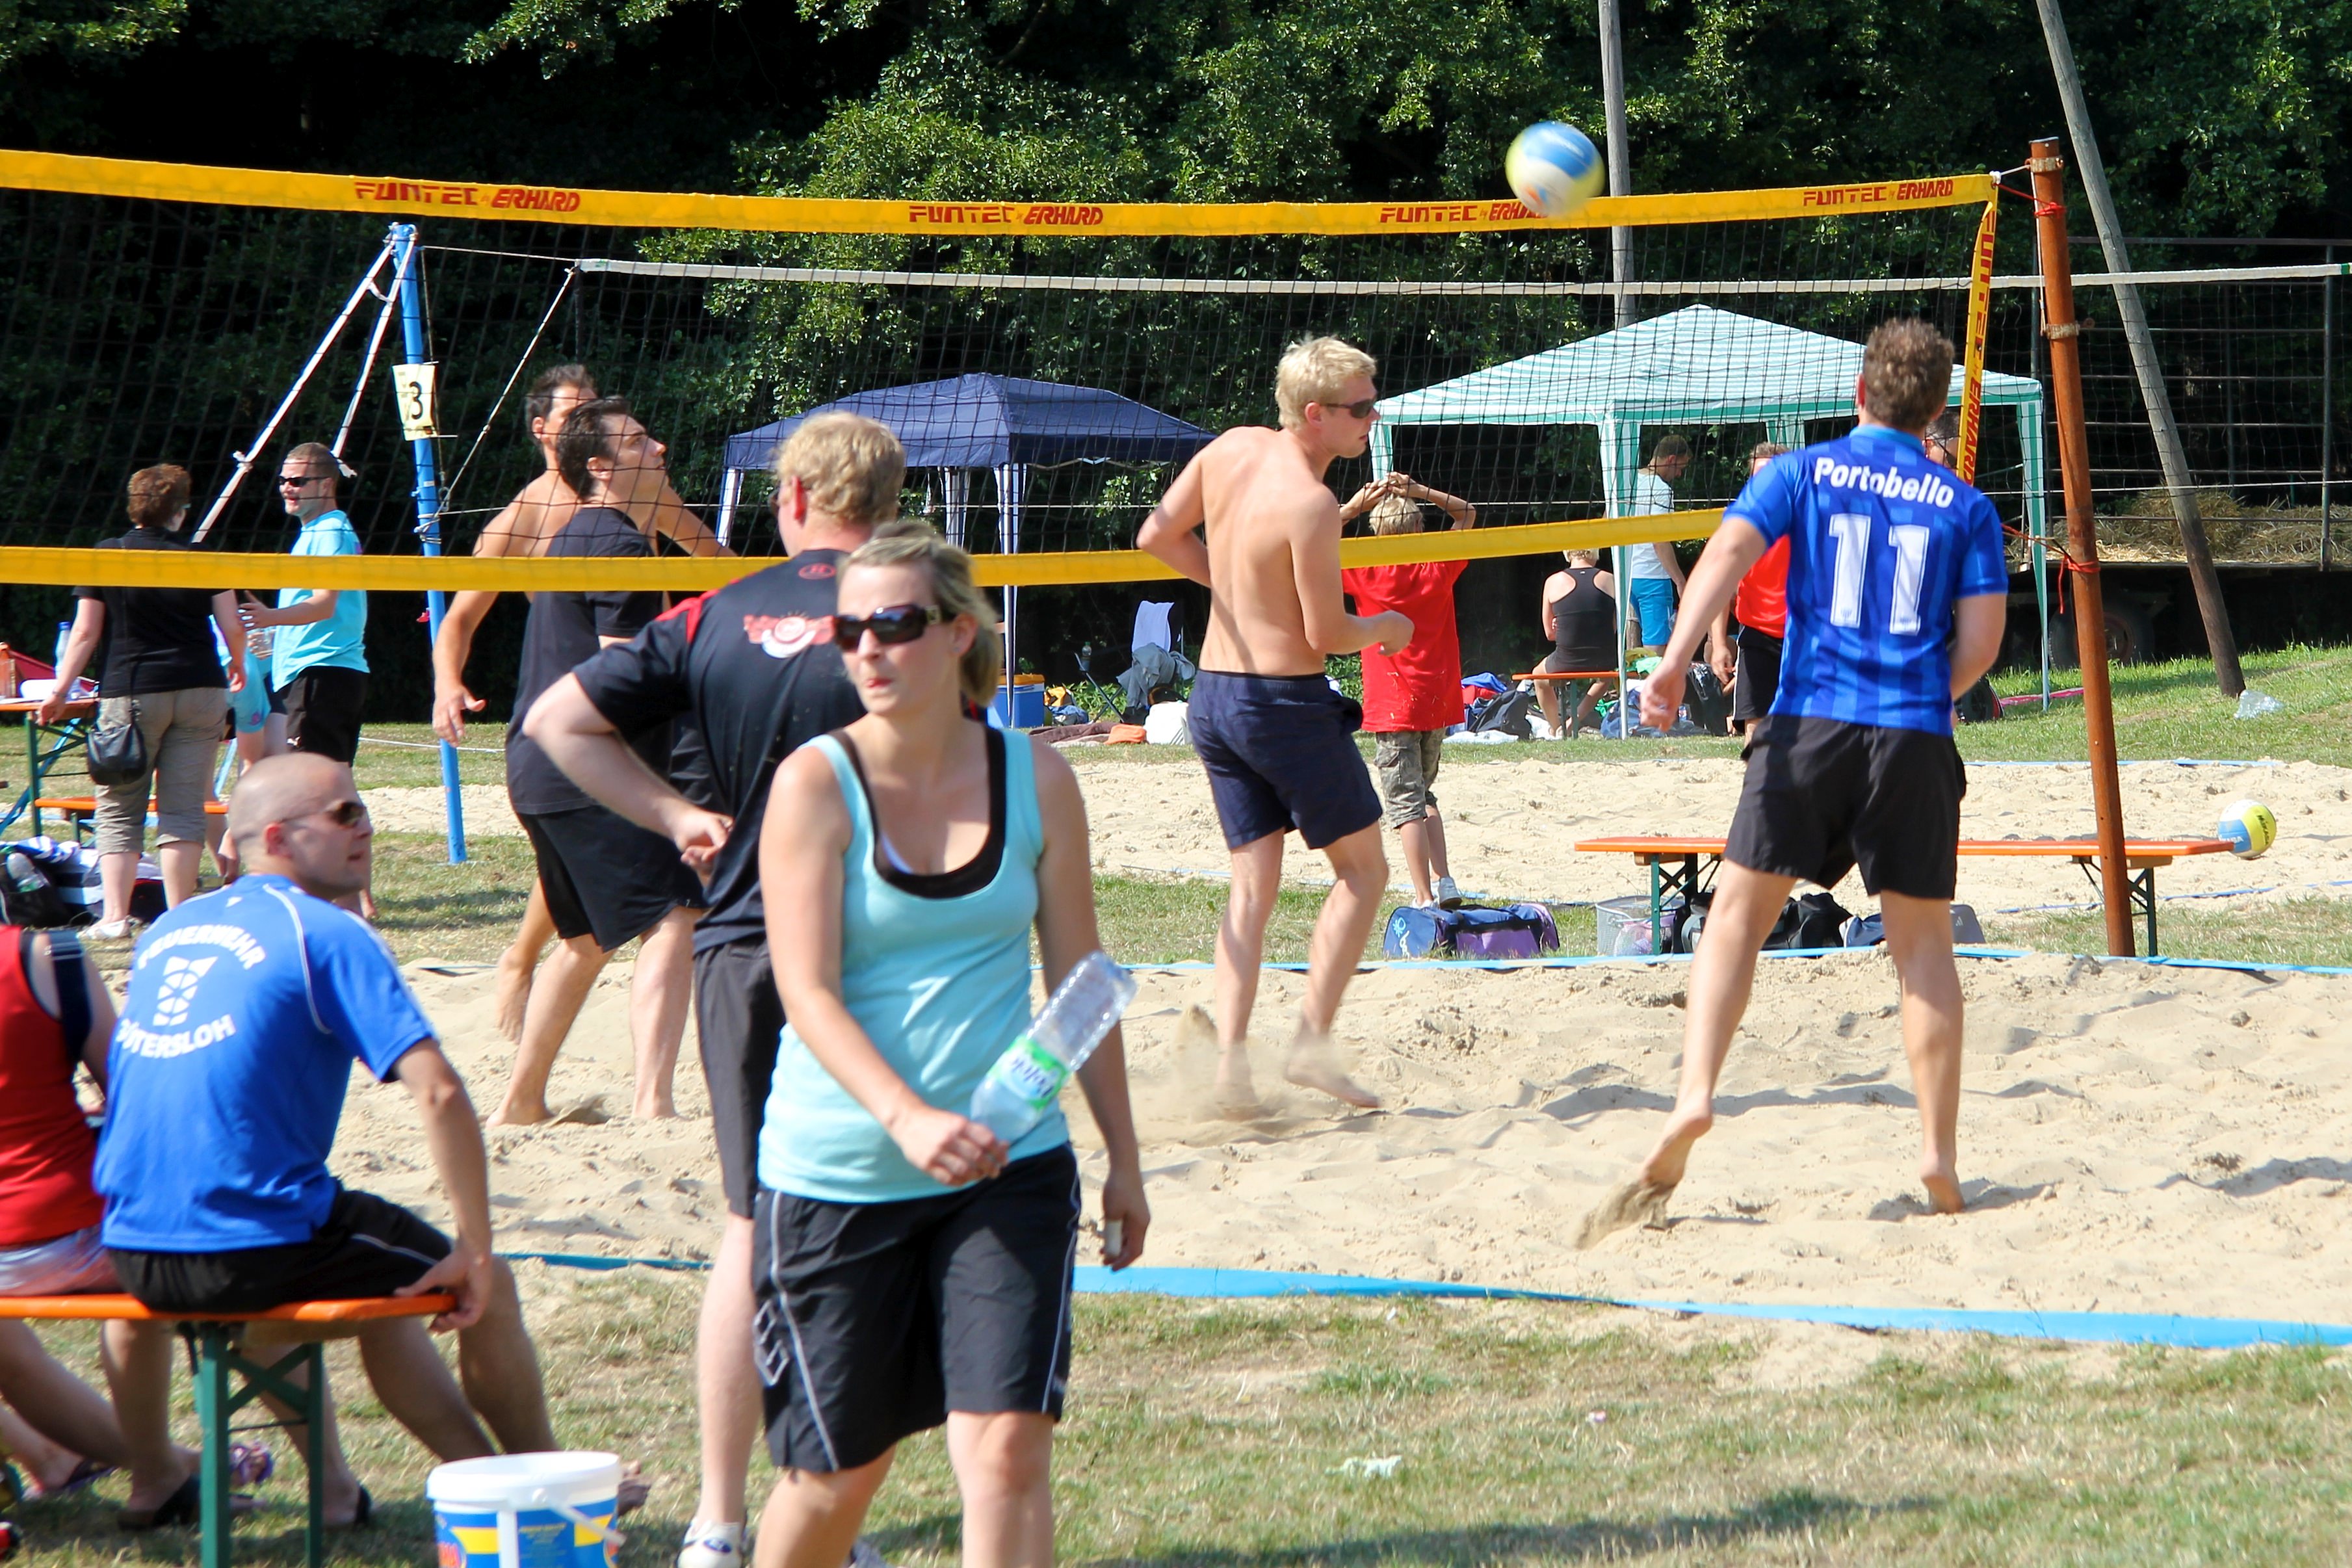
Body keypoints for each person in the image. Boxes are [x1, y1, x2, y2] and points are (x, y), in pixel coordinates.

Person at [523, 412, 896, 1568]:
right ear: (888, 504)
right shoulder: (917, 615)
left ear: (793, 499)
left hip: (743, 943)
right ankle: (823, 1512)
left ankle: (720, 1520)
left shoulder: (712, 612)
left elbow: (556, 719)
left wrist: (675, 814)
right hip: (875, 946)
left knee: (750, 1225)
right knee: (863, 1233)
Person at [750, 525, 1146, 1568]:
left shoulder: (1037, 780)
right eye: (848, 630)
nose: (868, 649)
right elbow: (805, 989)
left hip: (1007, 1168)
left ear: (959, 633)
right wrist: (907, 1117)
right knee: (835, 1478)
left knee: (1006, 1452)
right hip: (838, 1171)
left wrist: (1124, 1159)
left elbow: (1080, 986)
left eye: (894, 624)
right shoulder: (813, 783)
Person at [1578, 320, 2007, 1244]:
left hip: (1807, 725)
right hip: (1911, 734)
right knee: (1922, 949)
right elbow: (1980, 646)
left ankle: (1694, 1097)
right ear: (1937, 409)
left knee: (1735, 918)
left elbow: (1724, 560)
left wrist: (1670, 663)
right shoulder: (1963, 504)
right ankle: (1937, 1151)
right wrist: (1920, 697)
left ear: (1857, 395)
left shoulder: (1801, 473)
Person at [94, 754, 579, 1525]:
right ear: (279, 838)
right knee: (480, 1289)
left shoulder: (171, 930)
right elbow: (440, 1092)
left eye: (365, 810)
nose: (367, 829)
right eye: (346, 814)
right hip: (248, 1245)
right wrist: (477, 1250)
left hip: (132, 1248)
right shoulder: (327, 932)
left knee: (383, 1275)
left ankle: (357, 1492)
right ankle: (546, 1490)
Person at [1136, 335, 1407, 1116]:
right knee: (1364, 874)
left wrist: (1231, 585)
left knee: (1253, 887)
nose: (1373, 417)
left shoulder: (1230, 449)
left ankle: (1230, 1071)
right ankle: (1311, 1047)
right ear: (1316, 415)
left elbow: (1155, 536)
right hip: (1280, 705)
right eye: (1361, 408)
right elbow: (1328, 632)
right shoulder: (1312, 504)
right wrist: (1386, 627)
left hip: (1215, 700)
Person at [432, 365, 727, 1043]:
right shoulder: (527, 516)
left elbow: (713, 560)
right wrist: (448, 682)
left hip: (623, 697)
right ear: (544, 430)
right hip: (576, 699)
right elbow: (460, 618)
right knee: (653, 900)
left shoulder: (641, 494)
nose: (589, 415)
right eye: (576, 410)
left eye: (596, 406)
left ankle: (526, 990)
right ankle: (518, 961)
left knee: (593, 914)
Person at [490, 398, 703, 1125]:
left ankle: (521, 1101)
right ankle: (654, 1104)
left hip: (535, 767)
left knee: (582, 942)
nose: (659, 448)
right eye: (639, 442)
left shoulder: (573, 538)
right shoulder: (618, 548)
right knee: (673, 915)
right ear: (600, 467)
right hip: (584, 770)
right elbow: (623, 682)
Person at [0, 921, 218, 1528]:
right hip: (73, 1227)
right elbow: (135, 1096)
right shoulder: (50, 957)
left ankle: (94, 1460)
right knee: (163, 1264)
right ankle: (163, 1475)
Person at [40, 465, 245, 941]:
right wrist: (238, 663)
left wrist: (58, 691)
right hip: (201, 690)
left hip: (132, 694)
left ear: (133, 507)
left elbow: (85, 632)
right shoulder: (204, 557)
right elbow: (232, 625)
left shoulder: (107, 554)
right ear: (180, 512)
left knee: (118, 809)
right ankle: (179, 917)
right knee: (184, 808)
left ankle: (115, 918)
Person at [1337, 473, 1476, 908]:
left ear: (1375, 531)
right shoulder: (1436, 565)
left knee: (1405, 805)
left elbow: (1314, 540)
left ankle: (1423, 897)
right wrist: (1420, 491)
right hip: (1437, 701)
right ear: (1418, 527)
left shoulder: (1366, 572)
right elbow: (1468, 513)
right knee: (1424, 795)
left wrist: (1353, 507)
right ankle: (1445, 880)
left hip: (1394, 705)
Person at [239, 443, 368, 764]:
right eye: (283, 480)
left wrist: (270, 617)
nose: (287, 488)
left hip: (321, 673)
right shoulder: (318, 531)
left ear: (326, 485)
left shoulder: (330, 531)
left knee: (309, 781)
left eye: (297, 481)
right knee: (328, 779)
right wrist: (276, 637)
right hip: (321, 672)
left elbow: (324, 605)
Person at [1706, 443, 1792, 735]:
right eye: (1757, 476)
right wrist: (1719, 644)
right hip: (1757, 636)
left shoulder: (1809, 515)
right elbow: (1720, 585)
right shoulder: (1740, 522)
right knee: (1756, 726)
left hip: (1804, 635)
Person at [1534, 548, 1617, 738]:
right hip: (1602, 659)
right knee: (1605, 677)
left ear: (1568, 553)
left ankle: (1556, 728)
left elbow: (1550, 634)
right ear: (1594, 552)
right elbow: (1612, 628)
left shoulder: (1553, 581)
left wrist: (1564, 627)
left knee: (1538, 677)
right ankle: (1573, 721)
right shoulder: (1610, 580)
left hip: (1566, 659)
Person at [1621, 434, 1691, 653]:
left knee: (1644, 648)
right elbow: (1659, 541)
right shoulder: (1661, 490)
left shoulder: (1627, 482)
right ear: (1671, 459)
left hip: (1629, 578)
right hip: (1654, 578)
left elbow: (1607, 521)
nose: (1679, 474)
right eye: (1680, 467)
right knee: (1655, 651)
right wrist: (1680, 581)